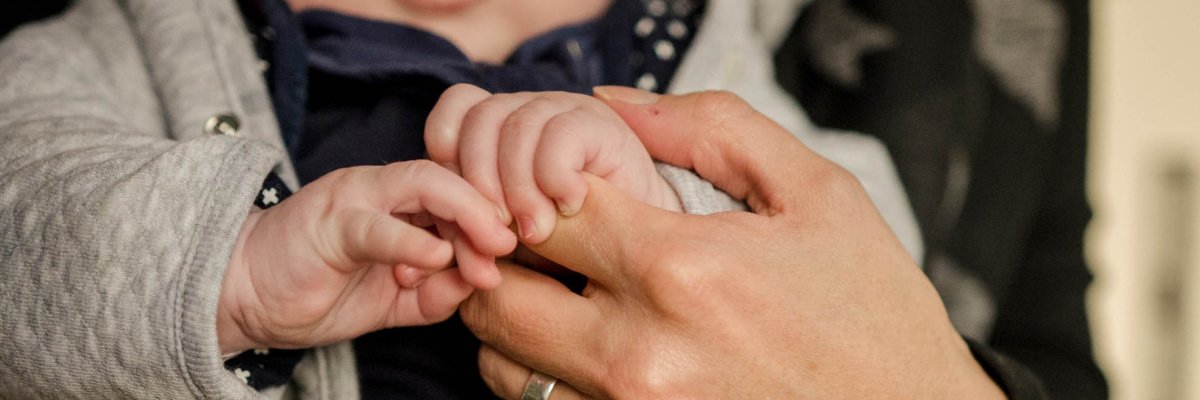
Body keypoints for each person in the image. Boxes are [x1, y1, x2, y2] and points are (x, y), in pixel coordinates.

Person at [0, 0, 1098, 399]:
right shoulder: (128, 31)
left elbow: (866, 261)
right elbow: (18, 219)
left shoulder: (706, 40)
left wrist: (662, 194)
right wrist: (230, 263)